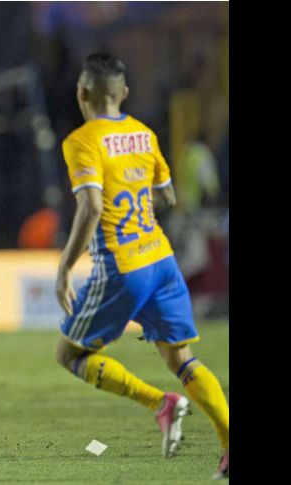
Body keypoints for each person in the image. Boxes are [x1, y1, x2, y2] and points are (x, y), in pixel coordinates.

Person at [54, 53, 229, 479]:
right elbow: (167, 195)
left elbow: (91, 206)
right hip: (161, 260)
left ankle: (159, 402)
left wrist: (64, 266)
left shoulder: (81, 140)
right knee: (182, 358)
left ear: (82, 93)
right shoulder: (145, 135)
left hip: (122, 264)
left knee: (71, 353)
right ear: (125, 93)